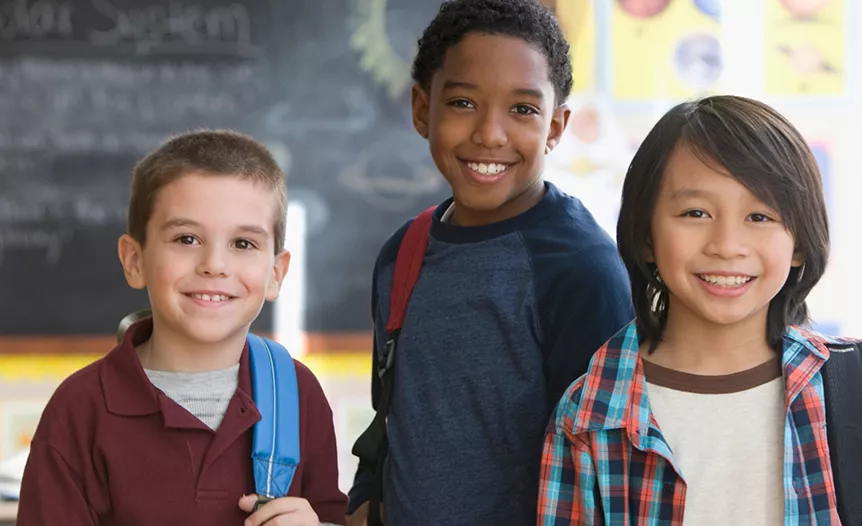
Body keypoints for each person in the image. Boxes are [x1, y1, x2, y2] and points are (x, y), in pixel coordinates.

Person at [346, 1, 633, 524]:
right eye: (462, 102)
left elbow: (608, 470)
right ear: (420, 109)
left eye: (522, 110)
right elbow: (389, 418)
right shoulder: (403, 255)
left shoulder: (580, 270)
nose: (490, 134)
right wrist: (367, 499)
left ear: (556, 127)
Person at [539, 95, 848, 525]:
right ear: (646, 236)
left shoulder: (848, 390)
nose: (725, 244)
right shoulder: (588, 417)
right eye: (696, 212)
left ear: (799, 244)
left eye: (759, 216)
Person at [18, 130, 348, 525]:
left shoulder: (296, 393)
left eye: (243, 244)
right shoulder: (81, 409)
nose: (214, 264)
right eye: (187, 238)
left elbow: (328, 512)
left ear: (276, 273)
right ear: (134, 260)